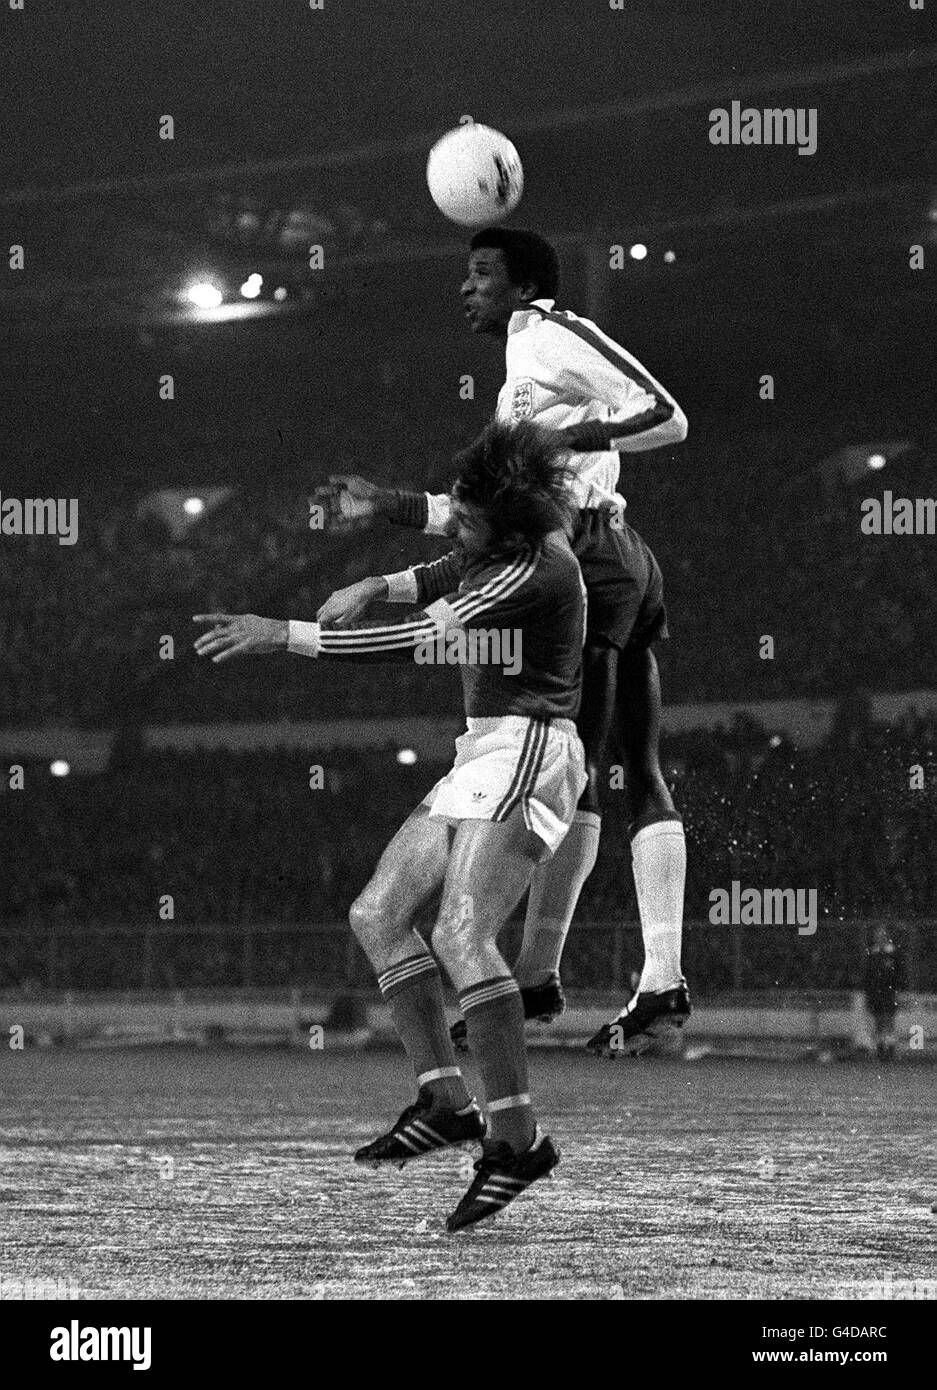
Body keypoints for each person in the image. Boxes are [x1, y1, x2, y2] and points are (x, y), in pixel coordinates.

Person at [193, 421, 587, 1231]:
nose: (456, 520)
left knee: (464, 935)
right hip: (484, 748)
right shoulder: (498, 536)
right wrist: (377, 570)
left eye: (466, 515)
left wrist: (287, 636)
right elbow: (445, 556)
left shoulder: (534, 569)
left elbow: (419, 638)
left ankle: (517, 1142)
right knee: (376, 914)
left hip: (532, 747)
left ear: (506, 527)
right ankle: (446, 1102)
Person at [313, 227, 690, 1057]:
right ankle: (623, 979)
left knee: (575, 768)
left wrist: (569, 441)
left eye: (481, 273)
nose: (465, 288)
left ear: (523, 287)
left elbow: (666, 417)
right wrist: (389, 504)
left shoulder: (551, 333)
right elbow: (485, 520)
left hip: (590, 556)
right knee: (612, 769)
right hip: (605, 553)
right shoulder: (519, 371)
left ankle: (571, 976)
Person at [863, 927, 905, 1062]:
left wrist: (898, 989)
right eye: (877, 936)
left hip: (889, 992)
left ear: (886, 937)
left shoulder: (893, 953)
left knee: (889, 1020)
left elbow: (900, 973)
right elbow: (868, 975)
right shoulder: (872, 954)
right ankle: (881, 1050)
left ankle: (891, 1049)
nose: (879, 938)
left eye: (881, 936)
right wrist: (868, 992)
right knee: (878, 1022)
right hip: (875, 993)